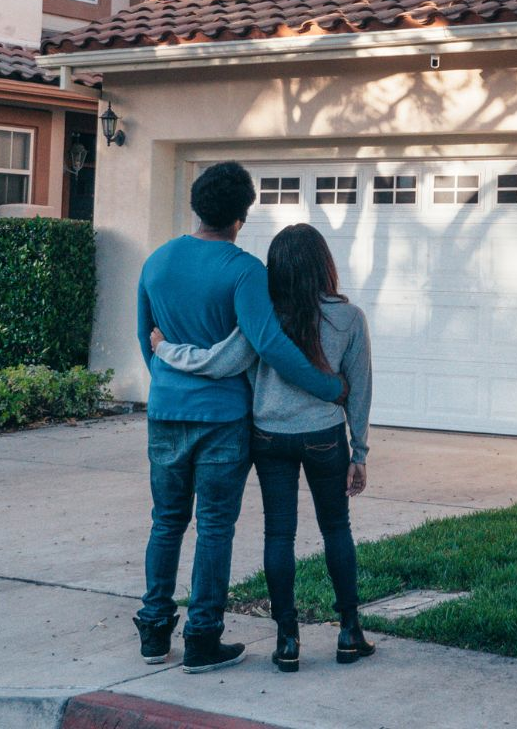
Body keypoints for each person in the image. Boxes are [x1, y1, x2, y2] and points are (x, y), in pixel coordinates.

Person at [135, 163, 346, 673]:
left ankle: (154, 631)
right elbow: (270, 344)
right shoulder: (246, 271)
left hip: (166, 412)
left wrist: (171, 386)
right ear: (241, 216)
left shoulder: (157, 262)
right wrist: (329, 387)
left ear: (196, 206)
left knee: (166, 523)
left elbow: (147, 340)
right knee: (213, 528)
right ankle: (203, 638)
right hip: (223, 420)